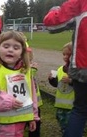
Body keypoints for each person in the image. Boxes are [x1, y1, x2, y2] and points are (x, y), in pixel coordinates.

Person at [0, 31, 39, 137]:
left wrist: (33, 116)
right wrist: (7, 101)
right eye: (6, 46)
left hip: (18, 123)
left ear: (22, 52)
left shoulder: (25, 71)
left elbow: (31, 95)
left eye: (16, 48)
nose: (10, 50)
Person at [43, 1, 87, 136]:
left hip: (83, 66)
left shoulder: (80, 3)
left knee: (80, 111)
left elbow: (51, 24)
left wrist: (54, 10)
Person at [48, 42, 74, 134]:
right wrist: (51, 79)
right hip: (60, 105)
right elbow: (57, 85)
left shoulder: (78, 71)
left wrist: (71, 81)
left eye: (68, 54)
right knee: (61, 121)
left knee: (71, 126)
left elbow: (82, 85)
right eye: (64, 54)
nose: (65, 56)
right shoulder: (60, 69)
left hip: (73, 106)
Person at [27, 47, 43, 137]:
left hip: (35, 101)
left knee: (35, 121)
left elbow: (31, 73)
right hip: (25, 101)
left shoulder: (33, 67)